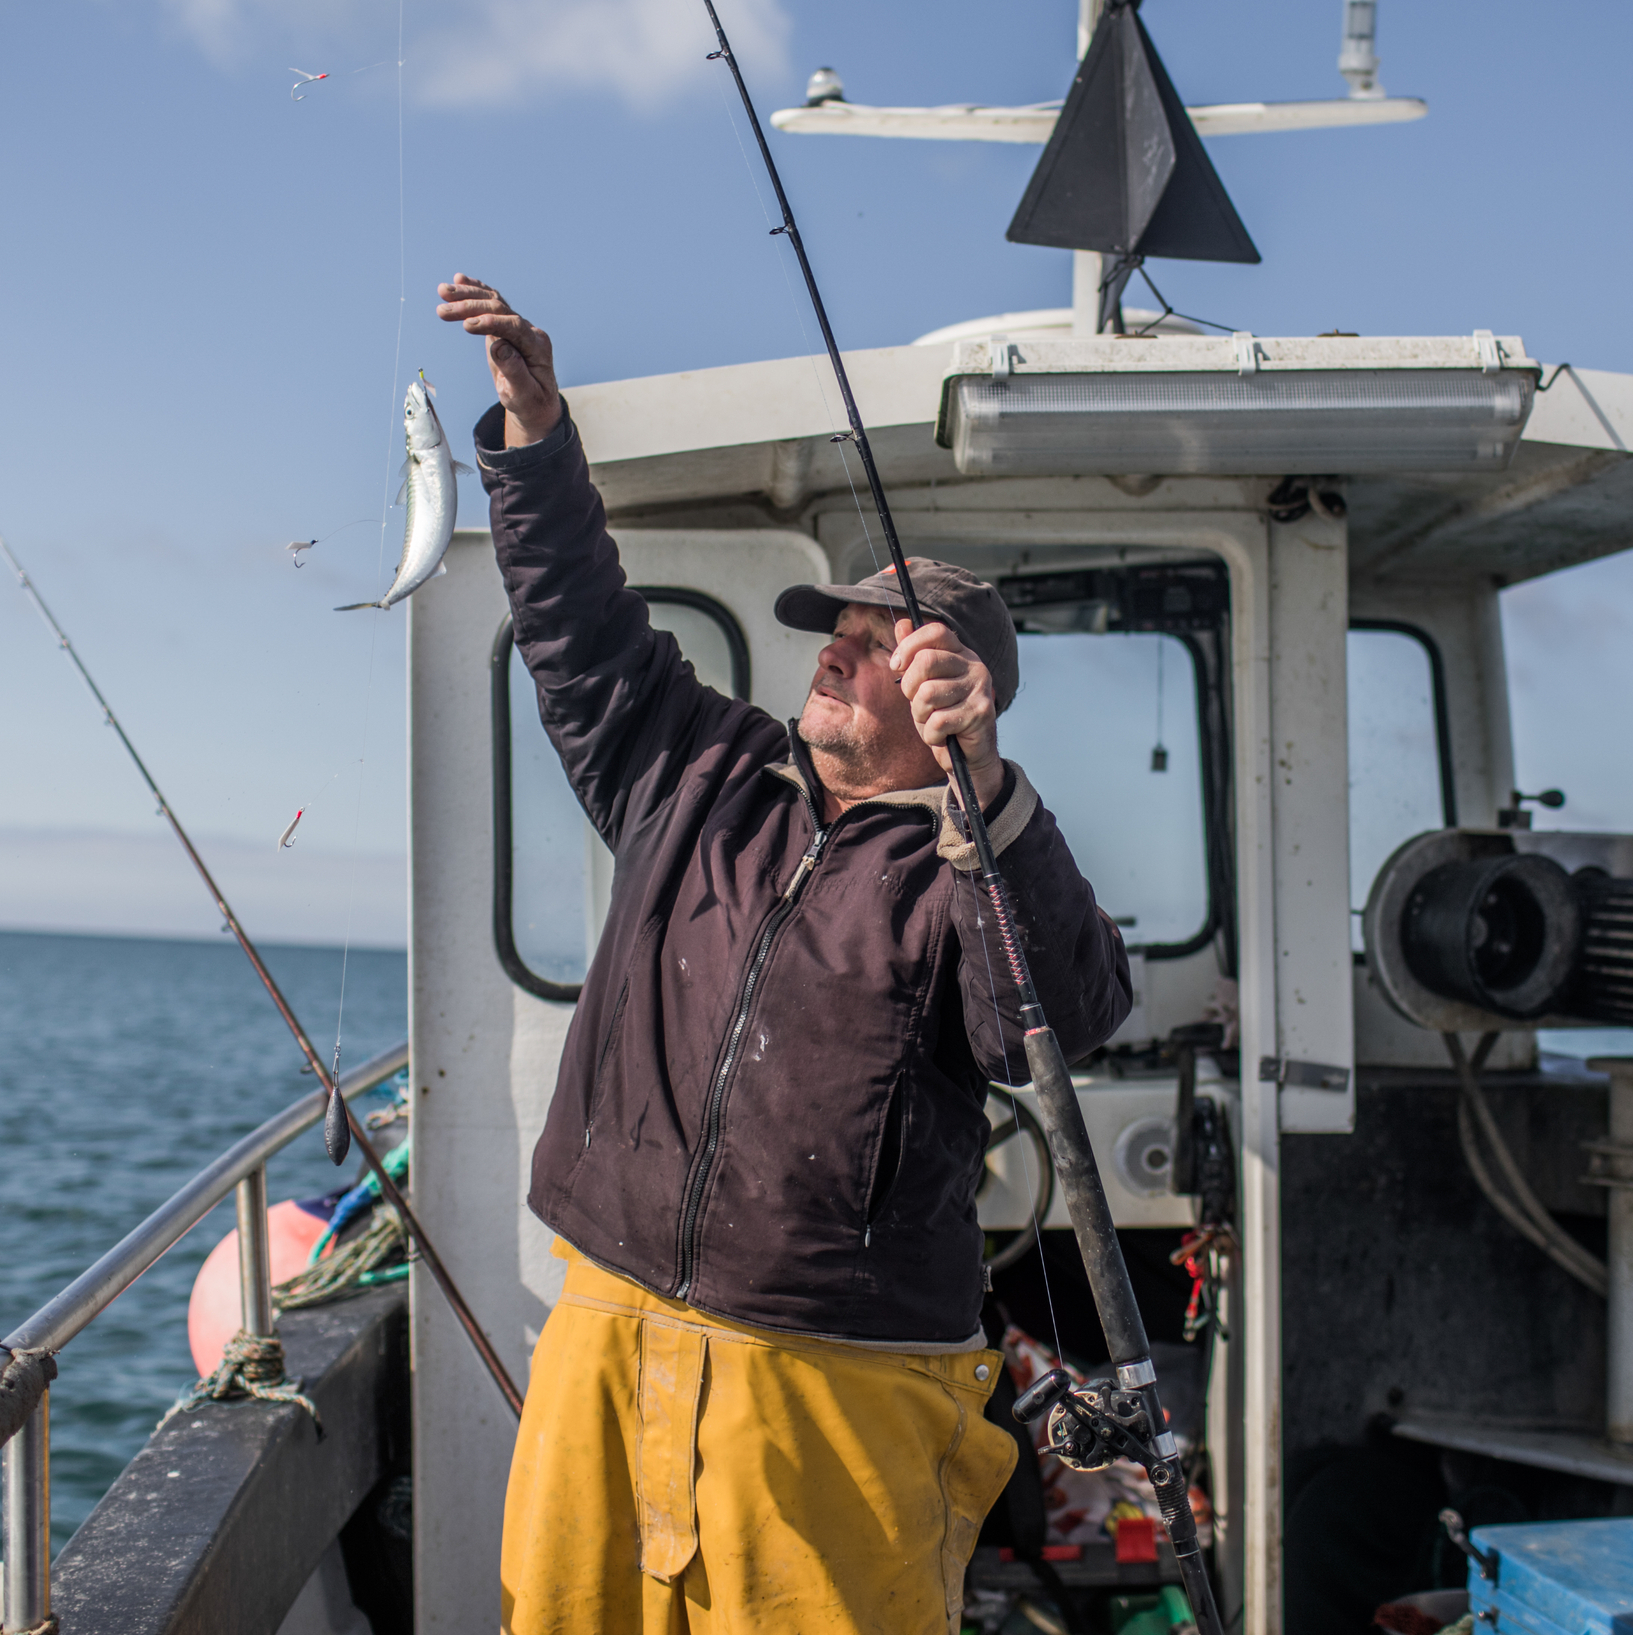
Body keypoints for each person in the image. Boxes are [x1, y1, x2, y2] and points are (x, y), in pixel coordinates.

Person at [438, 273, 1133, 1635]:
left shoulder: (968, 854)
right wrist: (535, 437)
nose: (835, 659)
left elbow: (1061, 1017)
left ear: (952, 697)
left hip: (842, 1376)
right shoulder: (695, 766)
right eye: (838, 638)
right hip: (612, 1327)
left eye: (878, 649)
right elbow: (575, 628)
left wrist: (988, 794)